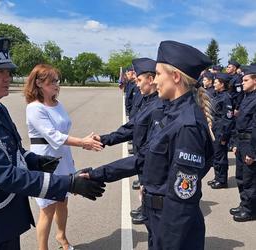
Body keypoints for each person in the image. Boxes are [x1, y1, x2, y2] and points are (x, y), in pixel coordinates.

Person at [0, 38, 105, 250]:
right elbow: (3, 174)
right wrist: (68, 183)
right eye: (0, 72)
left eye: (8, 71)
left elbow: (13, 150)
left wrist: (36, 161)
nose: (8, 77)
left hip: (2, 222)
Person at [81, 40, 214, 249]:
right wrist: (97, 174)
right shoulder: (170, 114)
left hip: (172, 227)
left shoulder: (187, 125)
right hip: (157, 217)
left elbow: (182, 198)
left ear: (176, 77)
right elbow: (143, 159)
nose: (155, 81)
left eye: (159, 74)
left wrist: (167, 242)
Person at [24, 64, 103, 250]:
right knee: (47, 209)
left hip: (63, 157)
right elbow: (53, 136)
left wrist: (78, 148)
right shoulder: (35, 108)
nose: (56, 85)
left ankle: (62, 237)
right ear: (39, 83)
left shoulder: (57, 104)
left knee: (63, 201)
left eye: (57, 81)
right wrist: (83, 142)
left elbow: (64, 130)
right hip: (45, 160)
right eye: (52, 81)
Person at [93, 57, 164, 225]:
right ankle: (146, 211)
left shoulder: (159, 106)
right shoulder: (149, 102)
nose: (137, 84)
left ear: (151, 79)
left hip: (149, 163)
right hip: (142, 159)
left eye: (139, 80)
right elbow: (131, 128)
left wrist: (101, 173)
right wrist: (104, 139)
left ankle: (147, 212)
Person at [230, 65, 256, 222]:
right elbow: (238, 121)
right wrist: (234, 143)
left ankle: (250, 209)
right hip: (241, 141)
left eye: (246, 80)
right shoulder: (246, 97)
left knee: (250, 179)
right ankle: (244, 203)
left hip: (250, 143)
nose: (242, 83)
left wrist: (253, 152)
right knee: (240, 176)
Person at [207, 73, 234, 189]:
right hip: (215, 129)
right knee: (216, 155)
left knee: (221, 156)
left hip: (221, 131)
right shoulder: (217, 96)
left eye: (216, 82)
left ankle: (222, 180)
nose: (214, 84)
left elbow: (228, 118)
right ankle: (217, 177)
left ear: (222, 84)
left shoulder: (226, 97)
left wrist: (224, 136)